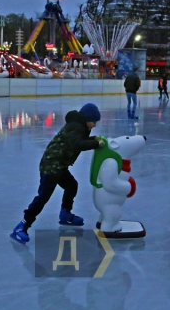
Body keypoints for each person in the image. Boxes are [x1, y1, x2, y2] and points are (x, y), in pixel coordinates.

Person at [11, 104, 106, 244]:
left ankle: (65, 214)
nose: (95, 125)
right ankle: (22, 226)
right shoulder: (77, 127)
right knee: (43, 197)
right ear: (87, 119)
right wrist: (96, 144)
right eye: (94, 122)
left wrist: (94, 139)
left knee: (71, 185)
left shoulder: (78, 126)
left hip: (58, 165)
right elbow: (76, 143)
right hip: (51, 166)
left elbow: (79, 140)